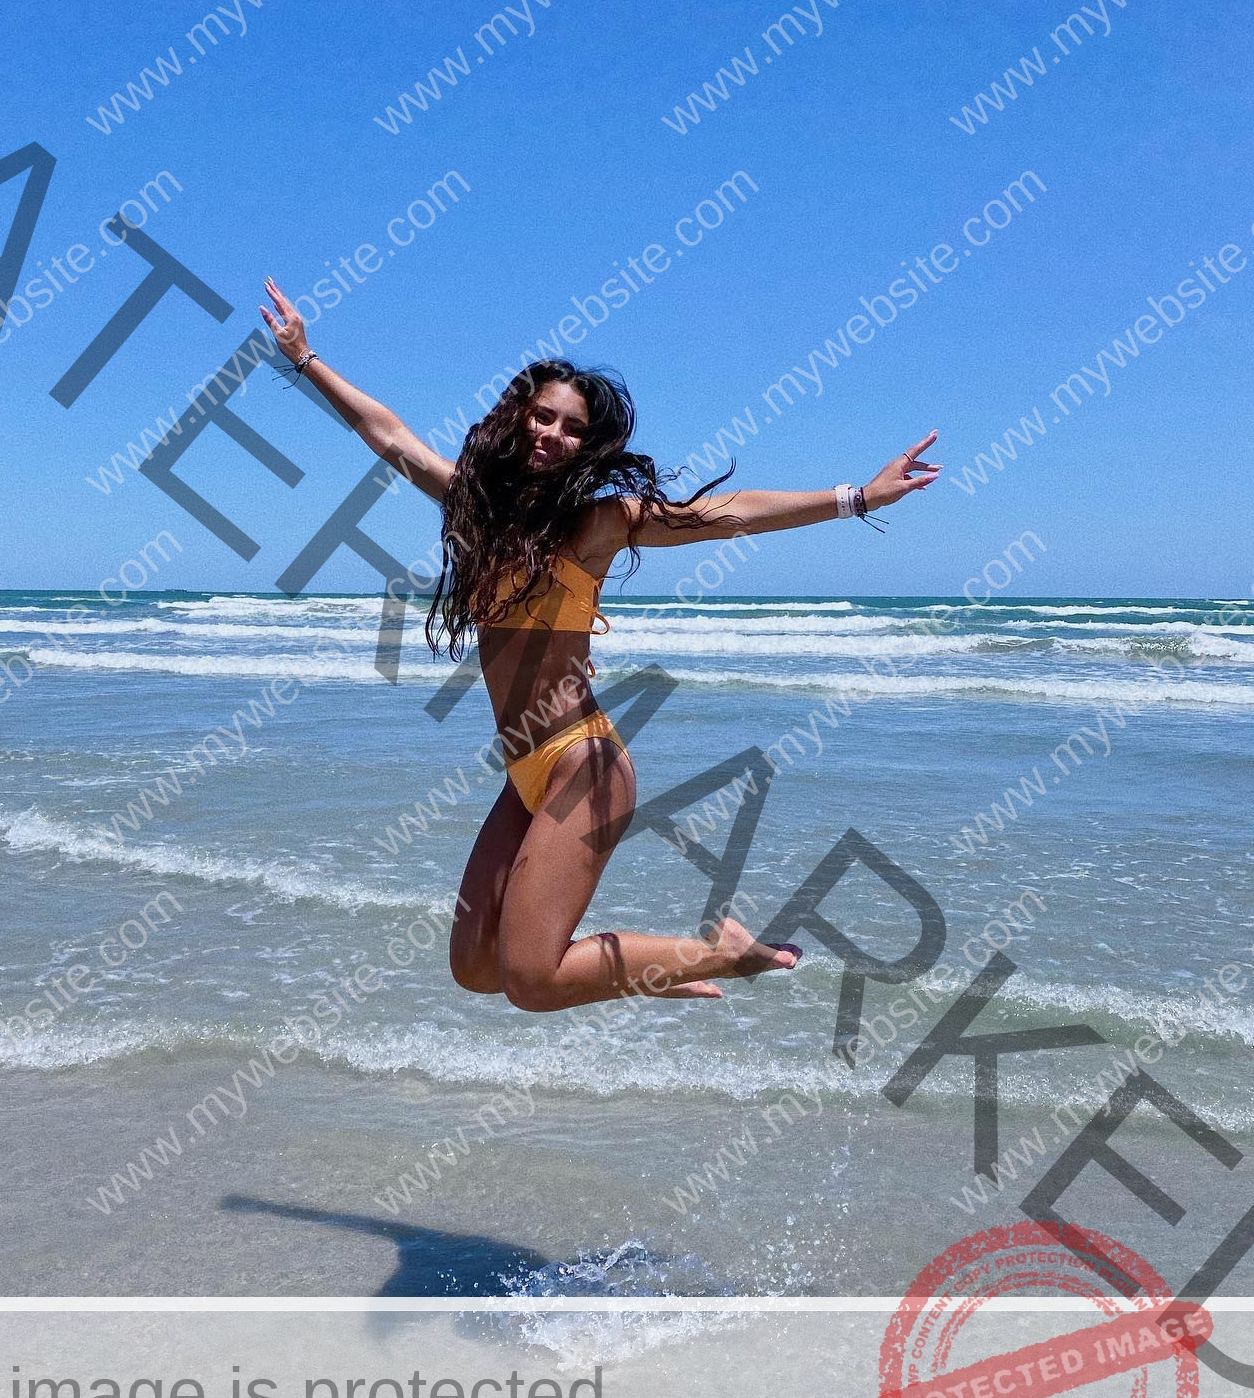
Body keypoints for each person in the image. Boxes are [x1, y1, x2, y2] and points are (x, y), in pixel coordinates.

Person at [261, 278, 939, 1015]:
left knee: (532, 982)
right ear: (516, 419)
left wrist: (855, 498)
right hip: (523, 767)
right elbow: (390, 436)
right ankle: (645, 968)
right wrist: (305, 359)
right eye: (543, 416)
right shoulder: (473, 508)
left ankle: (720, 951)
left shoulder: (596, 524)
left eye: (573, 428)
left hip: (582, 762)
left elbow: (728, 513)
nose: (552, 434)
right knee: (477, 967)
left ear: (588, 446)